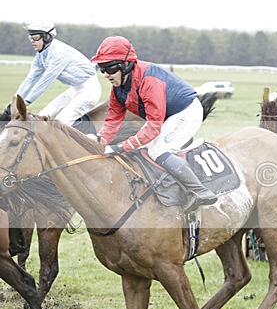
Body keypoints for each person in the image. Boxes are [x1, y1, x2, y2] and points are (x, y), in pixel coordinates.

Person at [91, 35, 217, 211]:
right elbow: (113, 118)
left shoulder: (148, 81)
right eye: (101, 68)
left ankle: (199, 191)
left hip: (186, 111)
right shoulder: (118, 88)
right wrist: (99, 141)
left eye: (110, 68)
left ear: (126, 65)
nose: (105, 75)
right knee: (141, 150)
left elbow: (153, 126)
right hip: (167, 115)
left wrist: (121, 147)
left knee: (158, 150)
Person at [8, 21, 101, 124]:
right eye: (30, 38)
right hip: (75, 89)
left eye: (35, 37)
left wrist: (25, 103)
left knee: (59, 124)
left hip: (89, 90)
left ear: (47, 37)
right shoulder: (40, 55)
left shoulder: (59, 53)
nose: (32, 41)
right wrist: (14, 101)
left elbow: (44, 83)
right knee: (41, 117)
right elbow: (30, 79)